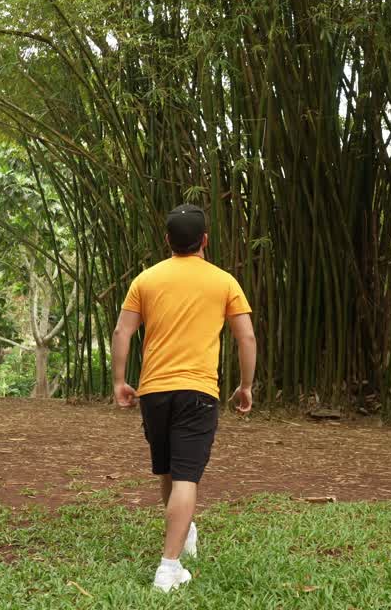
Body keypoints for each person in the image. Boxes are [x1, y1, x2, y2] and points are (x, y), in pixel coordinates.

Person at [110, 203, 257, 592]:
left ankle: (184, 527)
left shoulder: (147, 279)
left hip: (154, 390)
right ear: (205, 240)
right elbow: (246, 337)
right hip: (198, 391)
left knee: (167, 471)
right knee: (186, 477)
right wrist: (246, 385)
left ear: (167, 240)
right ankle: (168, 568)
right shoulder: (224, 281)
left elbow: (122, 332)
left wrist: (120, 381)